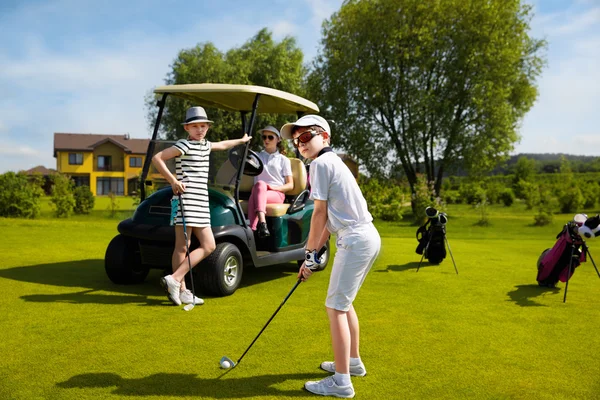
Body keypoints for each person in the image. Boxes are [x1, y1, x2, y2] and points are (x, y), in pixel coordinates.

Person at [280, 115, 381, 399]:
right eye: (296, 140)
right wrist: (312, 255)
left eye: (306, 137)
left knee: (335, 307)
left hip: (355, 239)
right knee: (344, 304)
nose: (300, 144)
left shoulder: (321, 164)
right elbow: (328, 222)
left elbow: (319, 213)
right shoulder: (332, 162)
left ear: (325, 137)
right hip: (365, 236)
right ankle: (352, 363)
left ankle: (341, 382)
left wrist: (309, 252)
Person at [152, 106, 251, 306]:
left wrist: (241, 141)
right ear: (187, 128)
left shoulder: (205, 145)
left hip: (201, 201)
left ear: (207, 127)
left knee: (208, 245)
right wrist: (173, 181)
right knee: (183, 246)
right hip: (186, 198)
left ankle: (177, 283)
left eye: (203, 126)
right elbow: (157, 158)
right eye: (195, 126)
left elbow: (223, 145)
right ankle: (179, 285)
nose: (200, 130)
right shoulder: (184, 145)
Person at [248, 125, 294, 238]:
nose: (266, 140)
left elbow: (290, 185)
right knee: (259, 186)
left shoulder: (284, 160)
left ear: (278, 139)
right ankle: (259, 228)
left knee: (257, 190)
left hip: (277, 194)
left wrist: (273, 188)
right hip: (259, 191)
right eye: (264, 137)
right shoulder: (256, 157)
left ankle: (253, 228)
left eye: (270, 137)